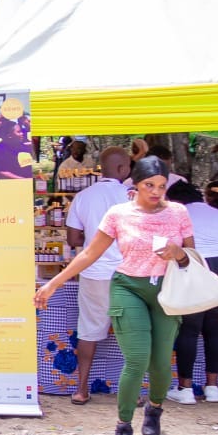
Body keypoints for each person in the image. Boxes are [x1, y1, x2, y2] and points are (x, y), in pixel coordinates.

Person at [35, 156, 194, 435]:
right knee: (136, 359)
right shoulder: (119, 213)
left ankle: (155, 407)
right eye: (149, 185)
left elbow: (191, 258)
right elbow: (89, 254)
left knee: (160, 362)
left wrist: (178, 253)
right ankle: (123, 426)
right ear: (134, 184)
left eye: (161, 186)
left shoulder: (178, 213)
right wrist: (53, 283)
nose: (156, 192)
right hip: (127, 287)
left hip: (166, 291)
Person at [62, 146, 131, 405]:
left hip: (93, 271)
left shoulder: (83, 196)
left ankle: (81, 389)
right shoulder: (132, 196)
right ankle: (132, 392)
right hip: (128, 273)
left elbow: (73, 239)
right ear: (124, 169)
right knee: (132, 331)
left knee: (89, 330)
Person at [164, 180, 218, 404]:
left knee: (189, 330)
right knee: (215, 331)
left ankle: (185, 388)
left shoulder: (179, 215)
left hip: (195, 267)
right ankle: (213, 387)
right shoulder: (215, 212)